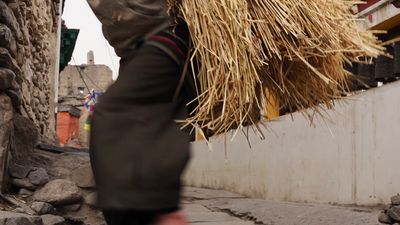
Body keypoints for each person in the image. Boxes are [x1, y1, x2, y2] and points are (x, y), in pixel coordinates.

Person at [86, 0, 192, 224]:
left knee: (113, 116)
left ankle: (163, 213)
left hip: (166, 36)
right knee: (132, 129)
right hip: (140, 48)